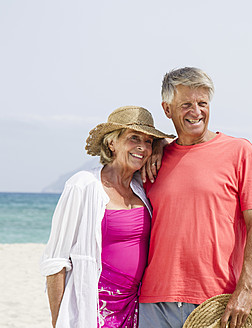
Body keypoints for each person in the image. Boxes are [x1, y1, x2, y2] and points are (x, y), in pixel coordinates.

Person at [138, 67, 252, 328]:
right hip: (152, 302)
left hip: (213, 301)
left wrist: (246, 289)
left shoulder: (240, 152)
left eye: (202, 103)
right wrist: (158, 143)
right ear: (167, 109)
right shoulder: (152, 159)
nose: (196, 112)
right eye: (186, 104)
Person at [40, 106, 174, 327]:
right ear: (112, 143)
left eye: (148, 141)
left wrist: (159, 145)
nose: (142, 147)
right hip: (94, 307)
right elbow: (55, 262)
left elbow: (182, 143)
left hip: (136, 308)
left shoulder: (142, 187)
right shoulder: (83, 185)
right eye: (134, 138)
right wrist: (58, 321)